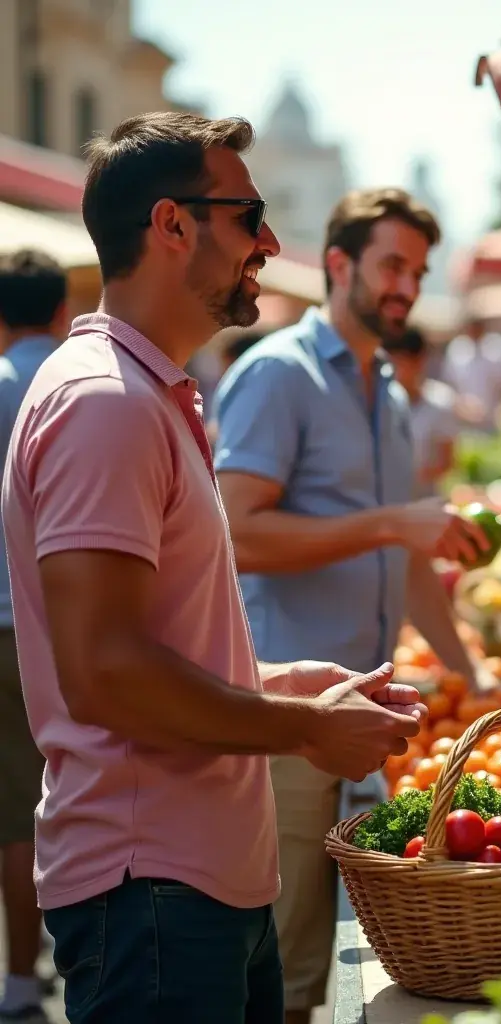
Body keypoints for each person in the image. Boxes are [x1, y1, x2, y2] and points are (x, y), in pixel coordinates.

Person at [1, 112, 427, 1024]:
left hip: (194, 885)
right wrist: (302, 727)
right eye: (250, 214)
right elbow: (105, 673)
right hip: (150, 890)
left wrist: (274, 682)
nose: (270, 241)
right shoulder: (104, 402)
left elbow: (147, 647)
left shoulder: (143, 392)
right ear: (172, 225)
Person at [213, 187, 491, 1024]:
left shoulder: (390, 394)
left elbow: (405, 560)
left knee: (346, 961)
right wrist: (390, 522)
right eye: (392, 265)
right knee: (289, 972)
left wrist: (470, 670)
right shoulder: (277, 374)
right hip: (286, 715)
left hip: (367, 718)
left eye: (417, 270)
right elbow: (236, 532)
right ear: (339, 264)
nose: (407, 285)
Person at [0, 249, 67, 1024]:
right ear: (57, 311)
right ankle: (28, 972)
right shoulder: (68, 387)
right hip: (48, 622)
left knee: (20, 803)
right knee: (42, 798)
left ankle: (23, 970)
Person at [382, 326, 460, 497]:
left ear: (419, 360)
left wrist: (411, 477)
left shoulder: (441, 401)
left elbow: (447, 461)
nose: (393, 370)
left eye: (400, 362)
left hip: (424, 502)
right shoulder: (378, 401)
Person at [441, 317, 501, 431]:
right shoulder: (456, 349)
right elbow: (449, 387)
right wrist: (463, 407)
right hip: (463, 424)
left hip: (493, 422)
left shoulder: (498, 346)